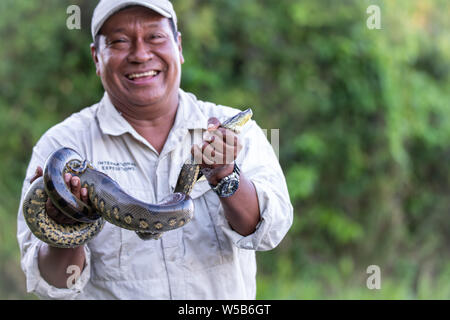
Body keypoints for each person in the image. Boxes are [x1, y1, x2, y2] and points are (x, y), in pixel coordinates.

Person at [17, 0, 293, 299]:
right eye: (120, 41)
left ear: (178, 46)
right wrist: (64, 227)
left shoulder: (232, 135)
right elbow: (55, 286)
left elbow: (269, 232)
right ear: (96, 58)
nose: (140, 54)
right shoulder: (61, 144)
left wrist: (225, 174)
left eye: (155, 37)